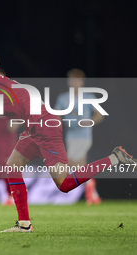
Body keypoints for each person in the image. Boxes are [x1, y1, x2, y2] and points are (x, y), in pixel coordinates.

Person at [0, 48, 136, 233]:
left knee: (65, 184)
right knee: (12, 167)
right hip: (34, 129)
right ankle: (24, 224)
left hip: (45, 128)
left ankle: (114, 158)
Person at [55, 68, 104, 205]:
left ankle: (90, 186)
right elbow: (57, 115)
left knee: (72, 161)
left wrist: (89, 122)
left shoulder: (89, 97)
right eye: (71, 80)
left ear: (82, 82)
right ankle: (91, 191)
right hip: (70, 135)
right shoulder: (63, 98)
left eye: (77, 80)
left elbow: (99, 115)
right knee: (79, 164)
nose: (74, 82)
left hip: (84, 135)